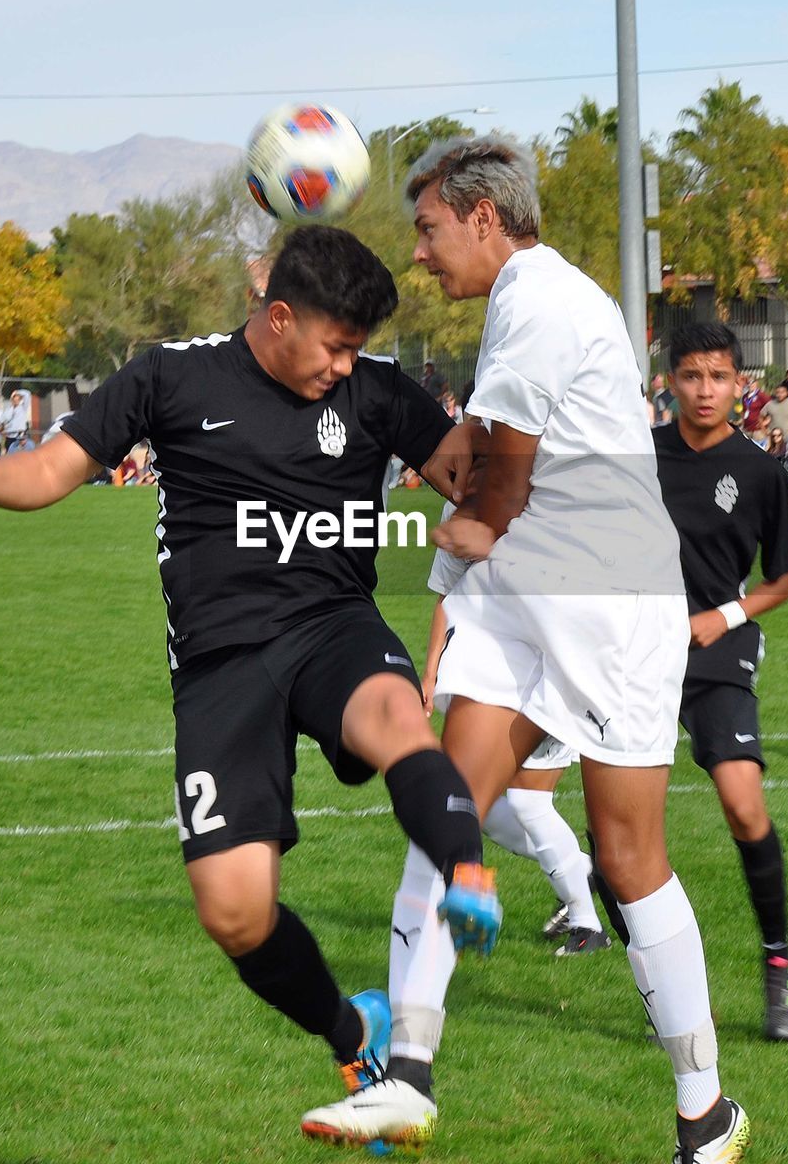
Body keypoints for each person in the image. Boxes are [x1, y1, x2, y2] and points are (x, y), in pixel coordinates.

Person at [0, 225, 489, 1123]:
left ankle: (468, 874)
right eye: (335, 346)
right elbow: (48, 471)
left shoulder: (377, 393)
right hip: (221, 664)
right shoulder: (171, 377)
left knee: (394, 717)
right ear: (278, 318)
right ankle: (354, 1039)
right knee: (233, 912)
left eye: (358, 349)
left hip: (333, 625)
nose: (346, 366)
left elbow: (477, 478)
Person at [301, 136, 748, 1163]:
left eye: (427, 228)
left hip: (612, 604)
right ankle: (406, 1074)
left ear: (484, 218)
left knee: (631, 859)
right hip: (530, 594)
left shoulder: (543, 301)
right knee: (441, 813)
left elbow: (498, 483)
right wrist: (464, 546)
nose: (420, 254)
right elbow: (484, 480)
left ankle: (706, 1108)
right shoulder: (517, 307)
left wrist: (463, 537)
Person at [652, 322, 788, 1042]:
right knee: (623, 832)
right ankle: (662, 985)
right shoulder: (638, 458)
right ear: (669, 380)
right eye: (690, 376)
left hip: (716, 650)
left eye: (717, 377)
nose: (704, 390)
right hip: (636, 656)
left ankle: (780, 963)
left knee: (743, 806)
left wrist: (725, 614)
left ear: (739, 382)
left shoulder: (759, 470)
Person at [421, 500, 608, 956]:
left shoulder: (546, 499)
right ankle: (580, 870)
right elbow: (446, 597)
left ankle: (587, 921)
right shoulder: (458, 510)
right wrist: (430, 674)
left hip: (547, 667)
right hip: (484, 678)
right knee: (465, 809)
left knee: (528, 801)